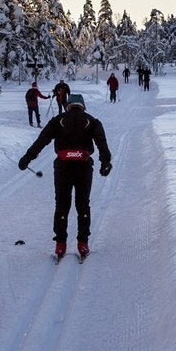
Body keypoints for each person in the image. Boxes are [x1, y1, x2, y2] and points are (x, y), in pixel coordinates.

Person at [19, 98, 111, 260]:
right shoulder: (92, 121)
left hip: (63, 167)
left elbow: (43, 139)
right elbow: (101, 142)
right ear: (83, 106)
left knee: (62, 204)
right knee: (83, 204)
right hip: (84, 166)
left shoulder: (58, 120)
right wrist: (105, 161)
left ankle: (60, 244)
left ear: (68, 106)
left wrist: (28, 157)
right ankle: (83, 243)